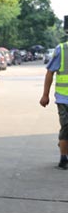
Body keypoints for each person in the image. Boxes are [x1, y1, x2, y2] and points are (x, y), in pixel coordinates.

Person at [39, 40, 68, 169]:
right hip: (64, 99)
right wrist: (45, 95)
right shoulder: (62, 49)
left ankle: (63, 146)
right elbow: (50, 72)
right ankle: (63, 158)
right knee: (66, 127)